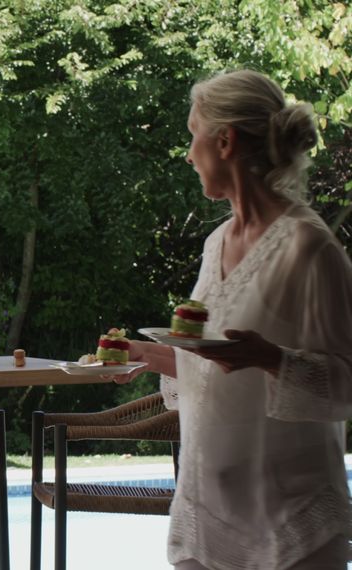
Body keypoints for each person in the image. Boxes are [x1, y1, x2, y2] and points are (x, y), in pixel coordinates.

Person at [117, 70, 352, 569]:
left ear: (224, 142)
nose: (188, 154)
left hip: (292, 533)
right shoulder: (214, 243)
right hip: (205, 524)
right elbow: (215, 365)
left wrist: (273, 359)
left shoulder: (309, 248)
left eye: (192, 135)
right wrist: (146, 354)